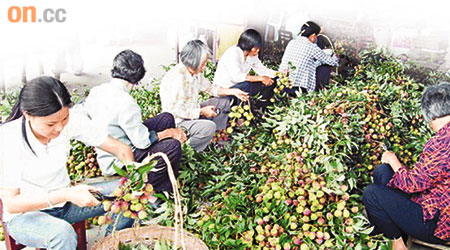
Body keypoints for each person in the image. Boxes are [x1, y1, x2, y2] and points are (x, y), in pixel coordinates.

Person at [0, 76, 135, 249]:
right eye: (51, 124)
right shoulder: (8, 139)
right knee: (62, 234)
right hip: (26, 215)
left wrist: (134, 173)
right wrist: (67, 194)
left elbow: (120, 149)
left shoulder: (71, 121)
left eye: (64, 119)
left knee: (130, 190)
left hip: (66, 205)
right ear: (28, 115)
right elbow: (12, 203)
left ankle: (110, 244)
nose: (59, 128)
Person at [363, 82, 450, 250]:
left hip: (437, 225)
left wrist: (393, 159)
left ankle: (397, 242)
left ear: (432, 117)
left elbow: (413, 184)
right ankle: (395, 229)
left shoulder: (442, 143)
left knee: (371, 194)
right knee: (383, 171)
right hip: (436, 202)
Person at [83, 49, 185, 193]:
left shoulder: (97, 91)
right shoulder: (126, 102)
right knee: (173, 146)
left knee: (166, 118)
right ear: (136, 80)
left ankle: (166, 174)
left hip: (108, 150)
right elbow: (142, 142)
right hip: (121, 161)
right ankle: (161, 188)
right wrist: (169, 133)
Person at [160, 40, 248, 152]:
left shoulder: (195, 73)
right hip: (178, 121)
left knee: (223, 103)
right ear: (194, 62)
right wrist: (201, 111)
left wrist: (233, 92)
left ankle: (217, 137)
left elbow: (210, 89)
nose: (205, 66)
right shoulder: (177, 78)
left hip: (192, 111)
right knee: (208, 127)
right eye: (203, 63)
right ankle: (184, 149)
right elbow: (175, 110)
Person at [213, 29, 276, 110]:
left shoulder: (252, 55)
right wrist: (260, 78)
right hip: (225, 90)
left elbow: (263, 70)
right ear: (248, 45)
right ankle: (240, 113)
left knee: (270, 82)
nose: (258, 50)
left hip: (239, 87)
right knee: (247, 85)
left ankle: (262, 109)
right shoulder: (233, 54)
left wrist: (279, 74)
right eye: (256, 48)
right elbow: (237, 77)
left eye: (259, 48)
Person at [279, 21, 339, 95]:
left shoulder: (292, 42)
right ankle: (319, 91)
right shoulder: (311, 46)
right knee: (325, 67)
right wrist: (335, 56)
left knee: (319, 63)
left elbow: (307, 62)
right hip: (299, 88)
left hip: (283, 83)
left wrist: (320, 61)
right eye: (316, 36)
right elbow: (332, 62)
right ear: (313, 35)